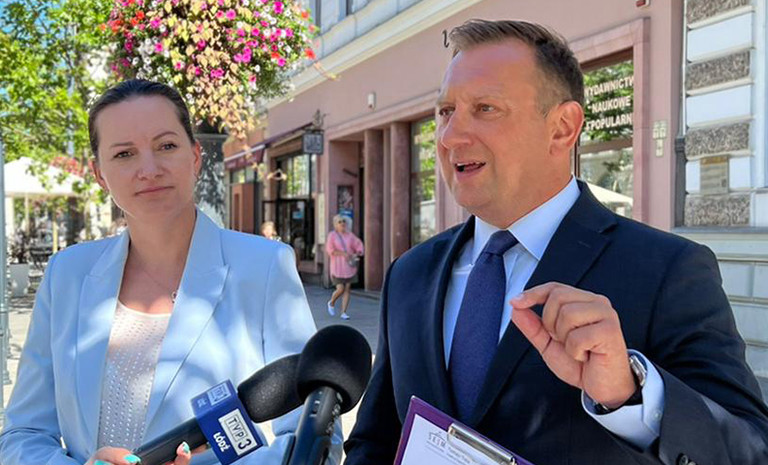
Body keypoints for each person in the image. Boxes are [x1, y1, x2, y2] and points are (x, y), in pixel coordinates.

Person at [345, 19, 768, 465]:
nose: (450, 137)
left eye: (485, 108)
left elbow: (750, 450)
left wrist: (630, 394)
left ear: (563, 127)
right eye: (446, 111)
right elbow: (376, 441)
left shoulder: (667, 270)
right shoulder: (410, 274)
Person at [0, 79, 341, 465]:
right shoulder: (67, 275)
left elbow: (316, 442)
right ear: (99, 174)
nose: (149, 169)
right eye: (124, 153)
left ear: (195, 157)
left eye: (166, 146)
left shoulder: (264, 267)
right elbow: (23, 434)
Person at [325, 215, 364, 320]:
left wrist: (358, 252)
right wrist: (343, 253)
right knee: (340, 289)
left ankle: (344, 312)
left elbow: (358, 244)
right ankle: (331, 302)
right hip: (337, 267)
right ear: (335, 224)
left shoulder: (350, 235)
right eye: (339, 222)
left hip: (349, 267)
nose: (342, 223)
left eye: (343, 221)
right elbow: (330, 250)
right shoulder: (332, 235)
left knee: (347, 289)